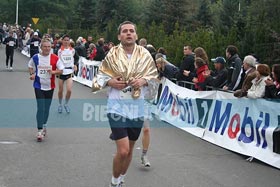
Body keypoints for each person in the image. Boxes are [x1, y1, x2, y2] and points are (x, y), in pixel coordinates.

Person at [96, 21, 158, 187]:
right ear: (119, 36)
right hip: (116, 107)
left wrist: (143, 80)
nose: (128, 33)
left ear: (136, 35)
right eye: (125, 31)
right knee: (122, 150)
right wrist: (110, 82)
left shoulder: (145, 55)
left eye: (131, 31)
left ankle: (121, 178)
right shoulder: (112, 54)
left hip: (136, 109)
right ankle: (114, 182)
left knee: (130, 150)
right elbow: (99, 76)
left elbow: (154, 78)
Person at [28, 38, 64, 141]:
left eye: (49, 47)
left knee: (46, 108)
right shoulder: (36, 57)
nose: (47, 48)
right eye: (45, 46)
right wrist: (32, 74)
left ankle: (44, 125)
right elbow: (30, 66)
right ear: (41, 47)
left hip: (50, 87)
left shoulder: (55, 58)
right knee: (41, 107)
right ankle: (39, 131)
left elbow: (61, 70)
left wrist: (52, 72)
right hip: (38, 86)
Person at [57, 35, 78, 113]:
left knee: (69, 90)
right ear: (62, 41)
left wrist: (75, 65)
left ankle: (66, 104)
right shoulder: (59, 50)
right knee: (60, 90)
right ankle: (60, 104)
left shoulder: (73, 50)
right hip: (61, 72)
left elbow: (77, 58)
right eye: (65, 40)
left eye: (67, 40)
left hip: (69, 72)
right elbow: (56, 60)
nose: (66, 42)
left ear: (69, 42)